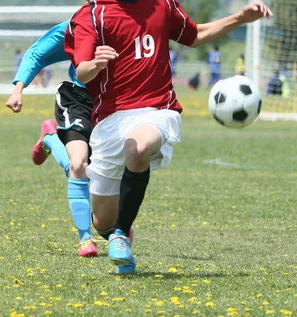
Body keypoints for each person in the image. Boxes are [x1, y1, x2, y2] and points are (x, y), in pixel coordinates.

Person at [65, 0, 272, 274]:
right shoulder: (92, 14)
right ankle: (114, 228)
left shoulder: (161, 4)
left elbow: (194, 35)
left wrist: (241, 18)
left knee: (137, 149)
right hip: (110, 120)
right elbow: (82, 71)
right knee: (102, 221)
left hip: (157, 109)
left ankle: (120, 235)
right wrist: (96, 63)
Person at [5, 13, 107, 259]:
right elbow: (38, 52)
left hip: (113, 104)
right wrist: (19, 88)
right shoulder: (78, 26)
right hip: (78, 100)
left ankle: (50, 139)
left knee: (100, 170)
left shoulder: (132, 23)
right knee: (78, 163)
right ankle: (85, 239)